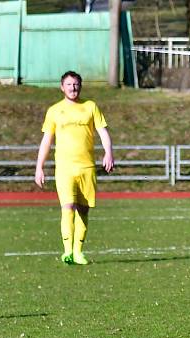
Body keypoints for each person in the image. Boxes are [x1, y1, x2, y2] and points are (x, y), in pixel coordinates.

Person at [35, 70, 114, 266]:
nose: (73, 87)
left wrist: (109, 153)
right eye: (69, 84)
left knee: (83, 210)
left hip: (87, 167)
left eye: (76, 84)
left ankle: (79, 252)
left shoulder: (90, 107)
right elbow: (46, 140)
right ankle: (67, 251)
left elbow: (102, 131)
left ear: (81, 86)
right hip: (64, 168)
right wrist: (39, 167)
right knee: (67, 207)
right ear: (62, 87)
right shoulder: (54, 110)